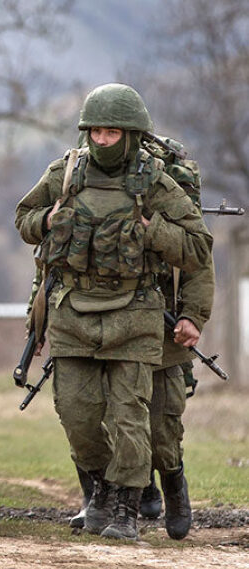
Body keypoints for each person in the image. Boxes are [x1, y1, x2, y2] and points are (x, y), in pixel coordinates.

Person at [14, 83, 212, 540]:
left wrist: (152, 230)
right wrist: (46, 220)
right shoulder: (65, 173)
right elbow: (25, 219)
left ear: (132, 135)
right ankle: (99, 492)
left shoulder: (155, 182)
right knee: (77, 413)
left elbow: (199, 247)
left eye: (111, 132)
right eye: (95, 131)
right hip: (73, 312)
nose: (102, 140)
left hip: (136, 311)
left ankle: (127, 509)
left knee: (133, 416)